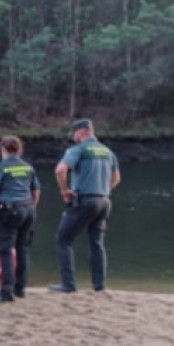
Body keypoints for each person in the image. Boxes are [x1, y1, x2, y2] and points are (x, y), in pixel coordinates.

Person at [51, 119, 122, 293]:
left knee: (63, 239)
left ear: (82, 132)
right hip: (104, 201)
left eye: (74, 134)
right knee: (97, 243)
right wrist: (104, 189)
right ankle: (99, 286)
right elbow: (117, 178)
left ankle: (68, 284)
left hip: (84, 199)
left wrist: (64, 190)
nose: (73, 137)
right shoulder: (107, 151)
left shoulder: (78, 150)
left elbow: (60, 170)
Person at [0, 135, 41, 303]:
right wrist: (31, 207)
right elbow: (36, 191)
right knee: (23, 248)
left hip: (9, 210)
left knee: (6, 250)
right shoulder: (28, 167)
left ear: (2, 149)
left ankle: (6, 292)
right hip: (28, 208)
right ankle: (20, 288)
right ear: (19, 150)